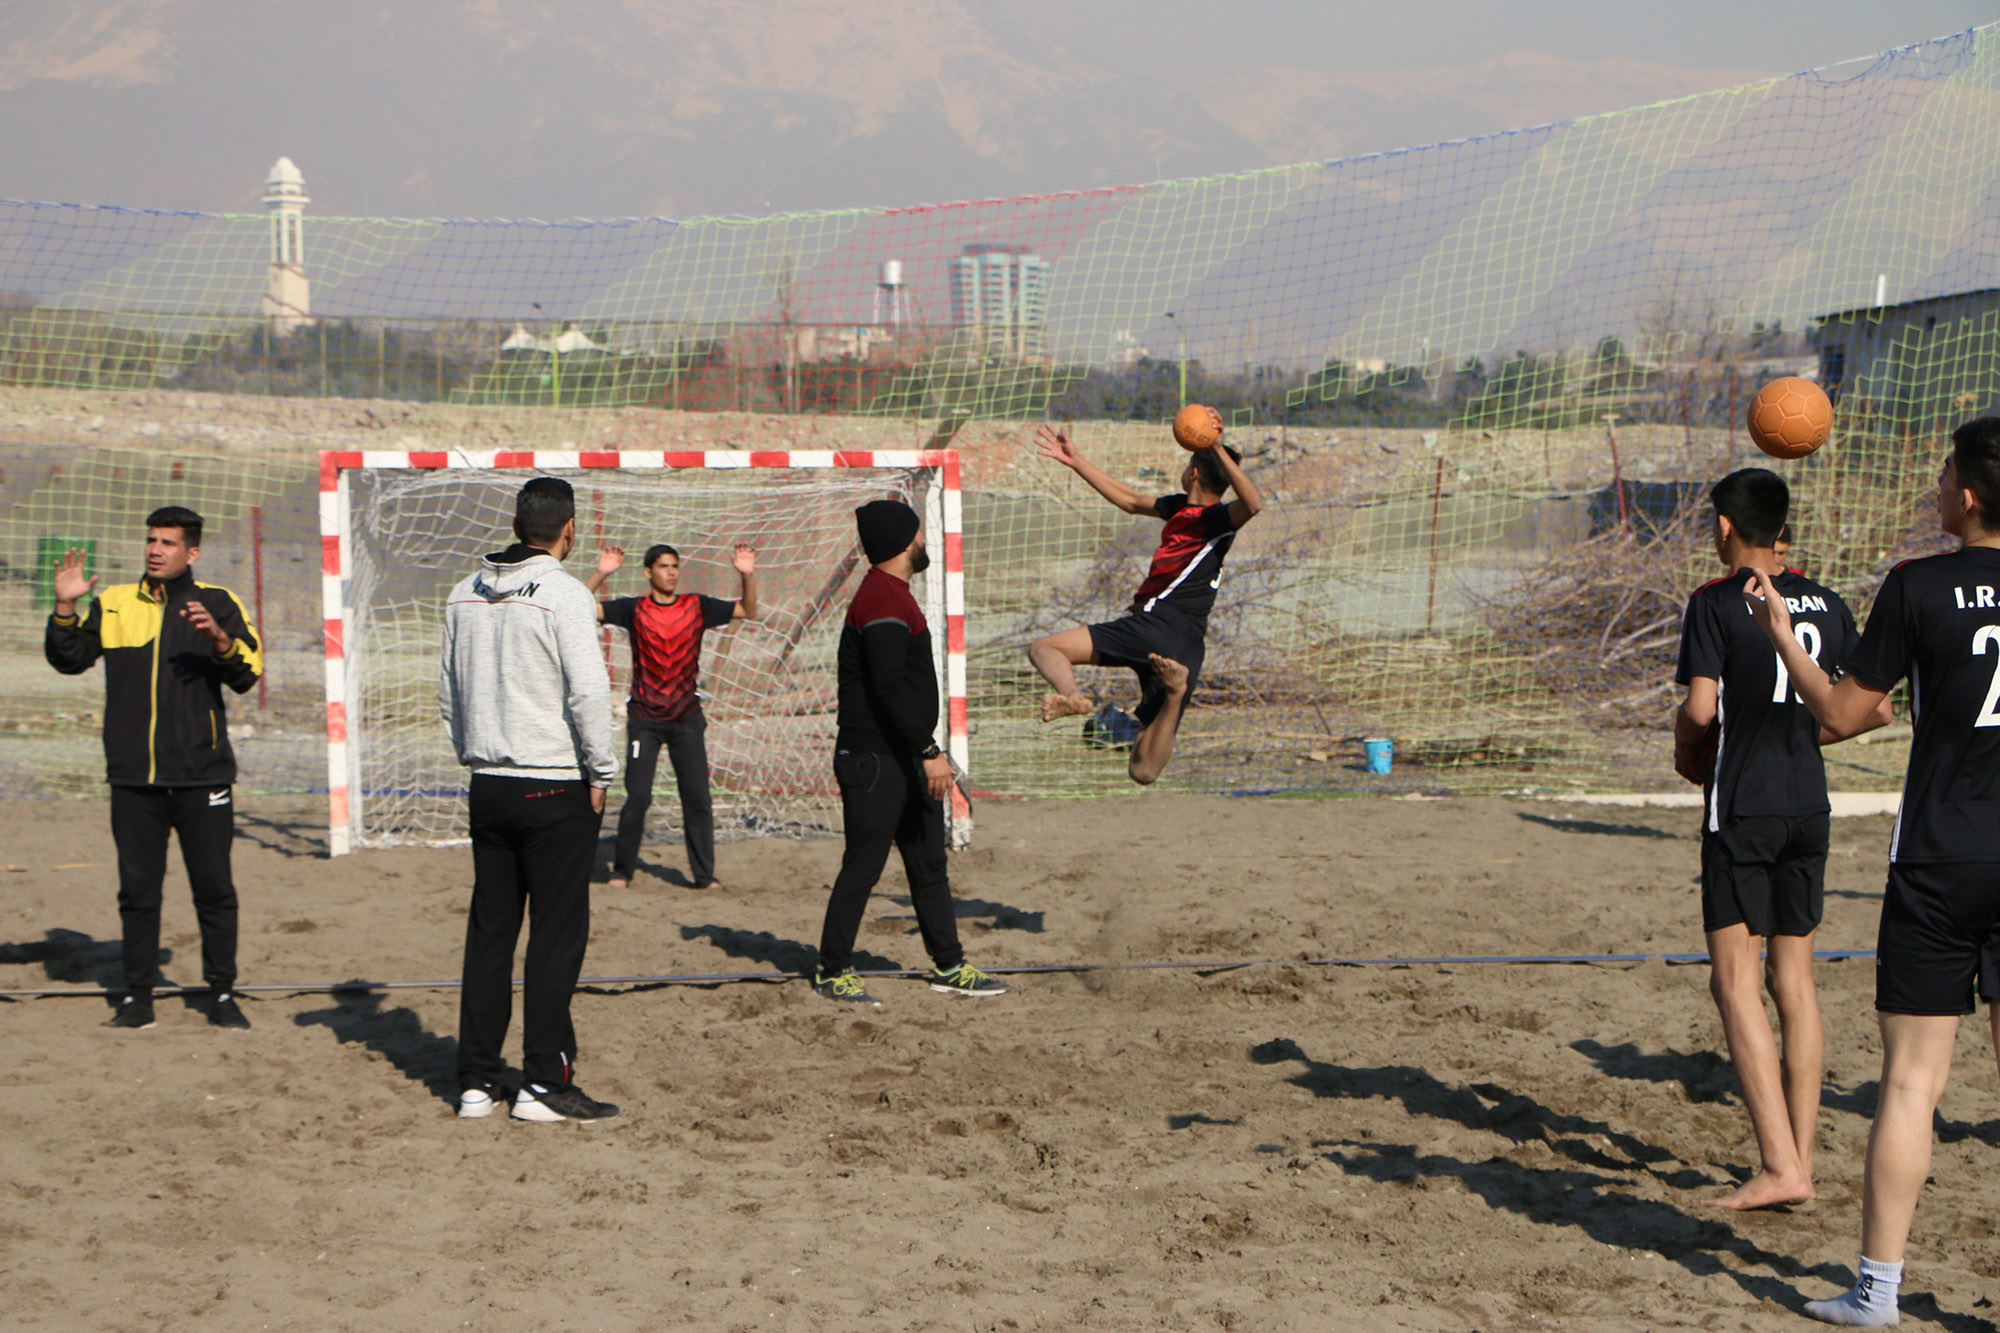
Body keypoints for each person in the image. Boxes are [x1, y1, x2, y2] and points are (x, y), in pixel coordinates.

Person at [1742, 418, 2000, 1326]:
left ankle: (1877, 1292)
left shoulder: (1918, 584)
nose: (1937, 486)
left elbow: (1846, 715)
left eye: (1945, 474)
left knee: (1911, 1085)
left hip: (1939, 855)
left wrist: (1785, 639)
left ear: (1968, 495)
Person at [1670, 468, 1885, 1211]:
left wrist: (1684, 746)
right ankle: (1801, 1158)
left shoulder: (1715, 600)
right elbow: (1871, 709)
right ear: (1783, 527)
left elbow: (1701, 711)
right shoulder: (1826, 600)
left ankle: (1778, 1165)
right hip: (1808, 804)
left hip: (1744, 805)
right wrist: (1801, 737)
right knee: (1794, 981)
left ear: (1725, 526)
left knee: (1733, 981)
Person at [440, 477, 621, 1123]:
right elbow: (589, 691)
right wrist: (601, 772)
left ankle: (476, 1080)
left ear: (519, 526)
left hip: (488, 783)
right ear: (569, 529)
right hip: (553, 782)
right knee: (555, 936)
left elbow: (448, 691)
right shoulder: (567, 595)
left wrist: (473, 751)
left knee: (490, 932)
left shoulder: (462, 592)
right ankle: (543, 1083)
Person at [44, 506, 264, 1031]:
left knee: (214, 890)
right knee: (138, 894)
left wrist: (220, 640)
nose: (155, 550)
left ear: (193, 551)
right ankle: (137, 998)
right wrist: (65, 606)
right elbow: (70, 659)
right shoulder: (114, 602)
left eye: (168, 542)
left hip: (203, 775)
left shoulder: (218, 603)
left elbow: (247, 674)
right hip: (132, 777)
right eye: (151, 540)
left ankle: (222, 993)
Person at [811, 499, 1007, 1006]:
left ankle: (950, 965)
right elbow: (888, 686)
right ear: (903, 542)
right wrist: (929, 750)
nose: (923, 541)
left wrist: (922, 752)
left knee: (928, 865)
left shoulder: (893, 593)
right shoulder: (880, 597)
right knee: (863, 867)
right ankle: (833, 970)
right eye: (918, 534)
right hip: (876, 760)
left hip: (904, 757)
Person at [1027, 414, 1263, 784]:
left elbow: (1253, 504)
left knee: (1045, 649)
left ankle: (1071, 694)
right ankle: (1175, 692)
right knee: (1143, 770)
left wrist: (1216, 446)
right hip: (1187, 645)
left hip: (1153, 625)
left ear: (1194, 473)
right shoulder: (1179, 508)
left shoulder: (1217, 519)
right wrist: (1076, 461)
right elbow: (1132, 500)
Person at [583, 541, 757, 890]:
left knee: (697, 798)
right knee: (638, 797)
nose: (671, 572)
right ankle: (622, 870)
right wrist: (601, 572)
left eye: (675, 566)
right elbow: (579, 607)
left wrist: (747, 576)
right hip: (644, 720)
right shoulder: (634, 608)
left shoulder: (697, 605)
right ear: (648, 572)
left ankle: (704, 876)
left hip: (686, 719)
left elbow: (747, 610)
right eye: (663, 566)